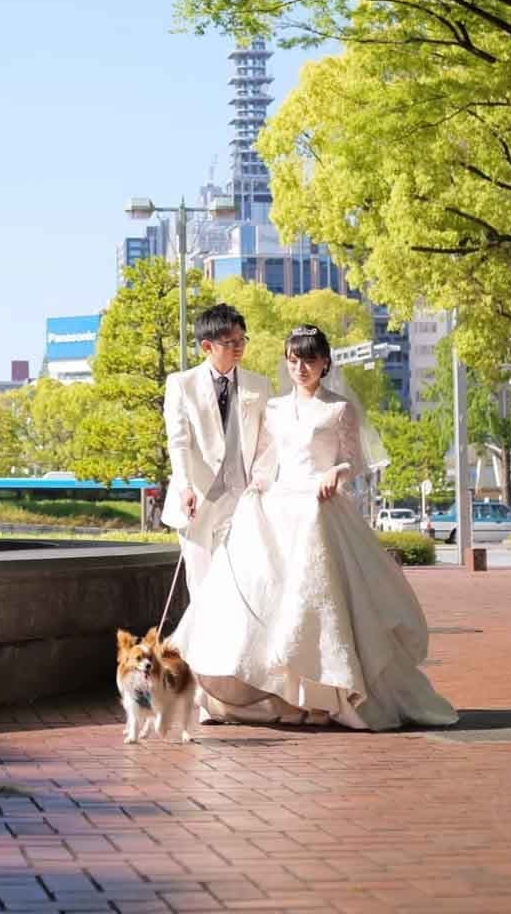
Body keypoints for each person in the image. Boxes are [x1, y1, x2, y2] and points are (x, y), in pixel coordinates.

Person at [173, 324, 458, 731]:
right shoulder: (273, 408)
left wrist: (336, 474)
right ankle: (277, 698)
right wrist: (258, 481)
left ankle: (327, 695)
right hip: (277, 509)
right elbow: (268, 460)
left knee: (318, 604)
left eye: (308, 359)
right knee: (263, 599)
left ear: (325, 363)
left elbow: (354, 461)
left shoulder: (338, 409)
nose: (300, 368)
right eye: (293, 360)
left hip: (319, 507)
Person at [161, 303, 273, 603]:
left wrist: (260, 483)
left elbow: (267, 443)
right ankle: (203, 648)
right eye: (230, 342)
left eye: (242, 340)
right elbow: (178, 441)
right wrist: (185, 487)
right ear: (207, 346)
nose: (238, 347)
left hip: (242, 499)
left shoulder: (259, 386)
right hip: (196, 500)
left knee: (238, 581)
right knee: (200, 586)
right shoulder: (181, 384)